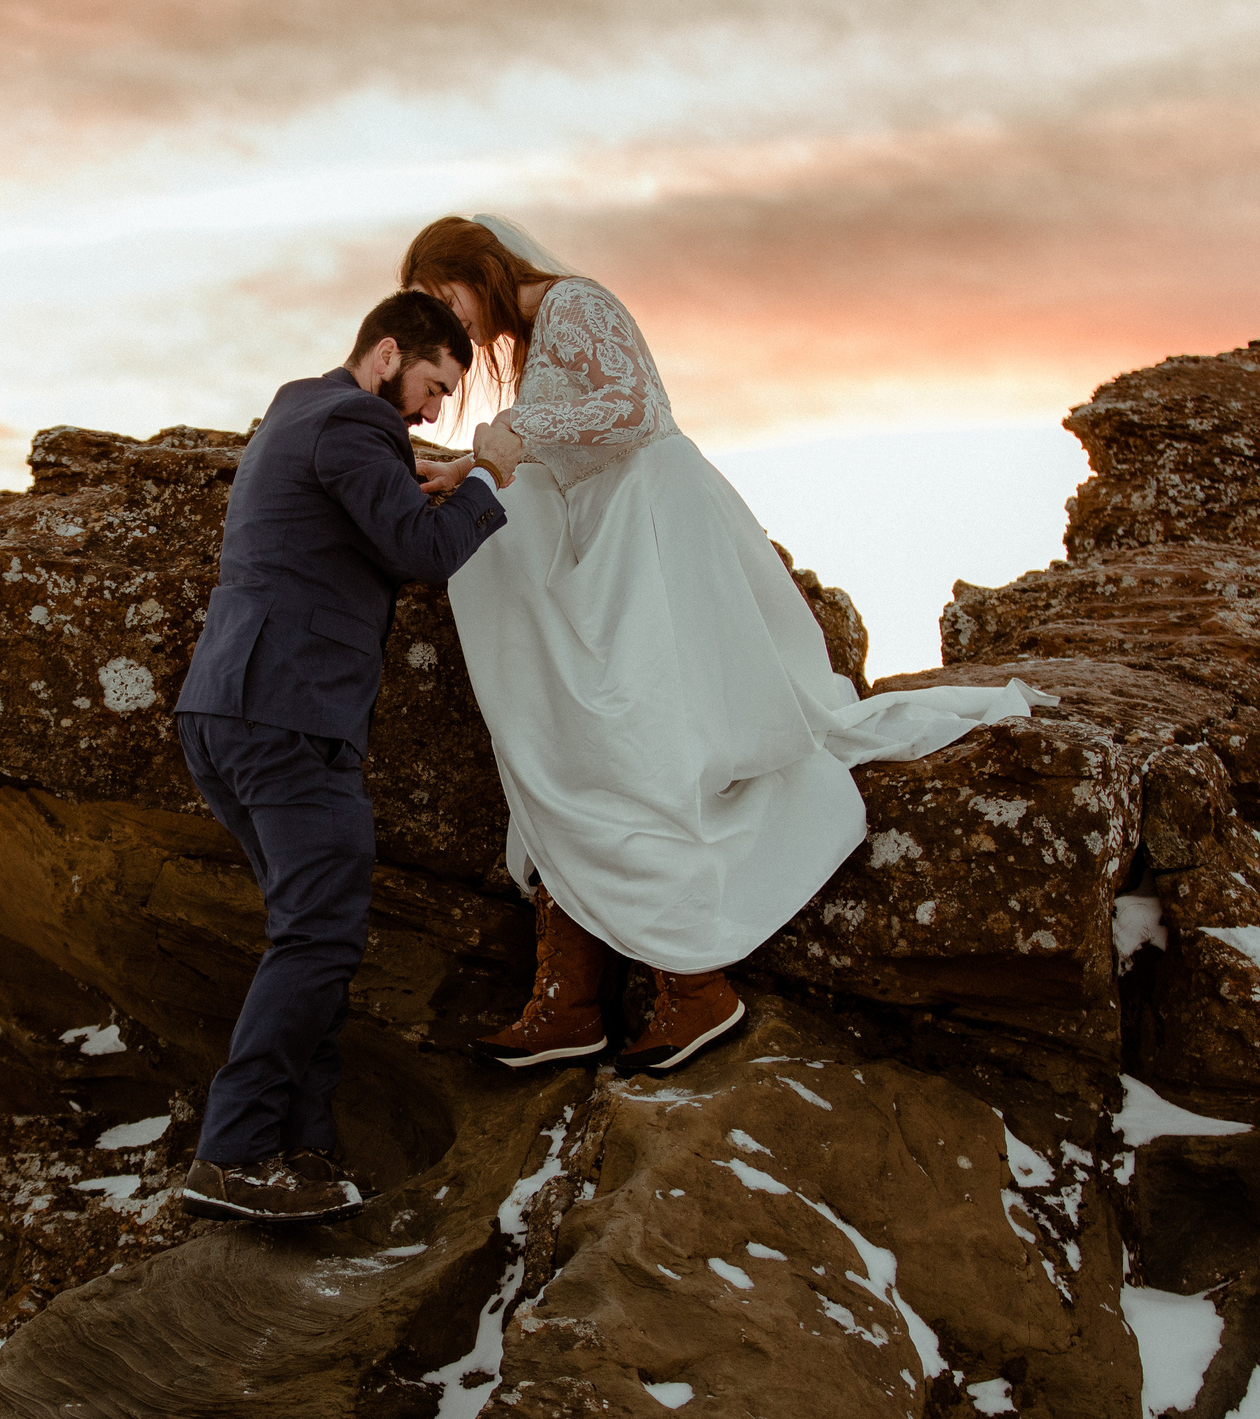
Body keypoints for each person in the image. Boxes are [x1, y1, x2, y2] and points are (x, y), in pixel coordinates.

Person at [400, 214, 1051, 1076]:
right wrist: (471, 469)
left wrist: (518, 432)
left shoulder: (570, 302)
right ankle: (575, 1002)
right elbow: (565, 453)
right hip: (611, 531)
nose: (450, 323)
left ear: (476, 265)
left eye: (443, 297)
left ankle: (691, 986)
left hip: (653, 525)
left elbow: (638, 408)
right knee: (581, 742)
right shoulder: (536, 336)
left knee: (641, 744)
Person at [174, 291, 529, 1225]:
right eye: (432, 386)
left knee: (310, 931)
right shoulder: (355, 422)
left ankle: (302, 1147)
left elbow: (355, 522)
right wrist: (488, 475)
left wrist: (419, 482)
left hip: (227, 707)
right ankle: (233, 1155)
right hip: (287, 715)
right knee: (320, 936)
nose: (433, 412)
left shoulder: (299, 408)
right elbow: (421, 550)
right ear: (386, 355)